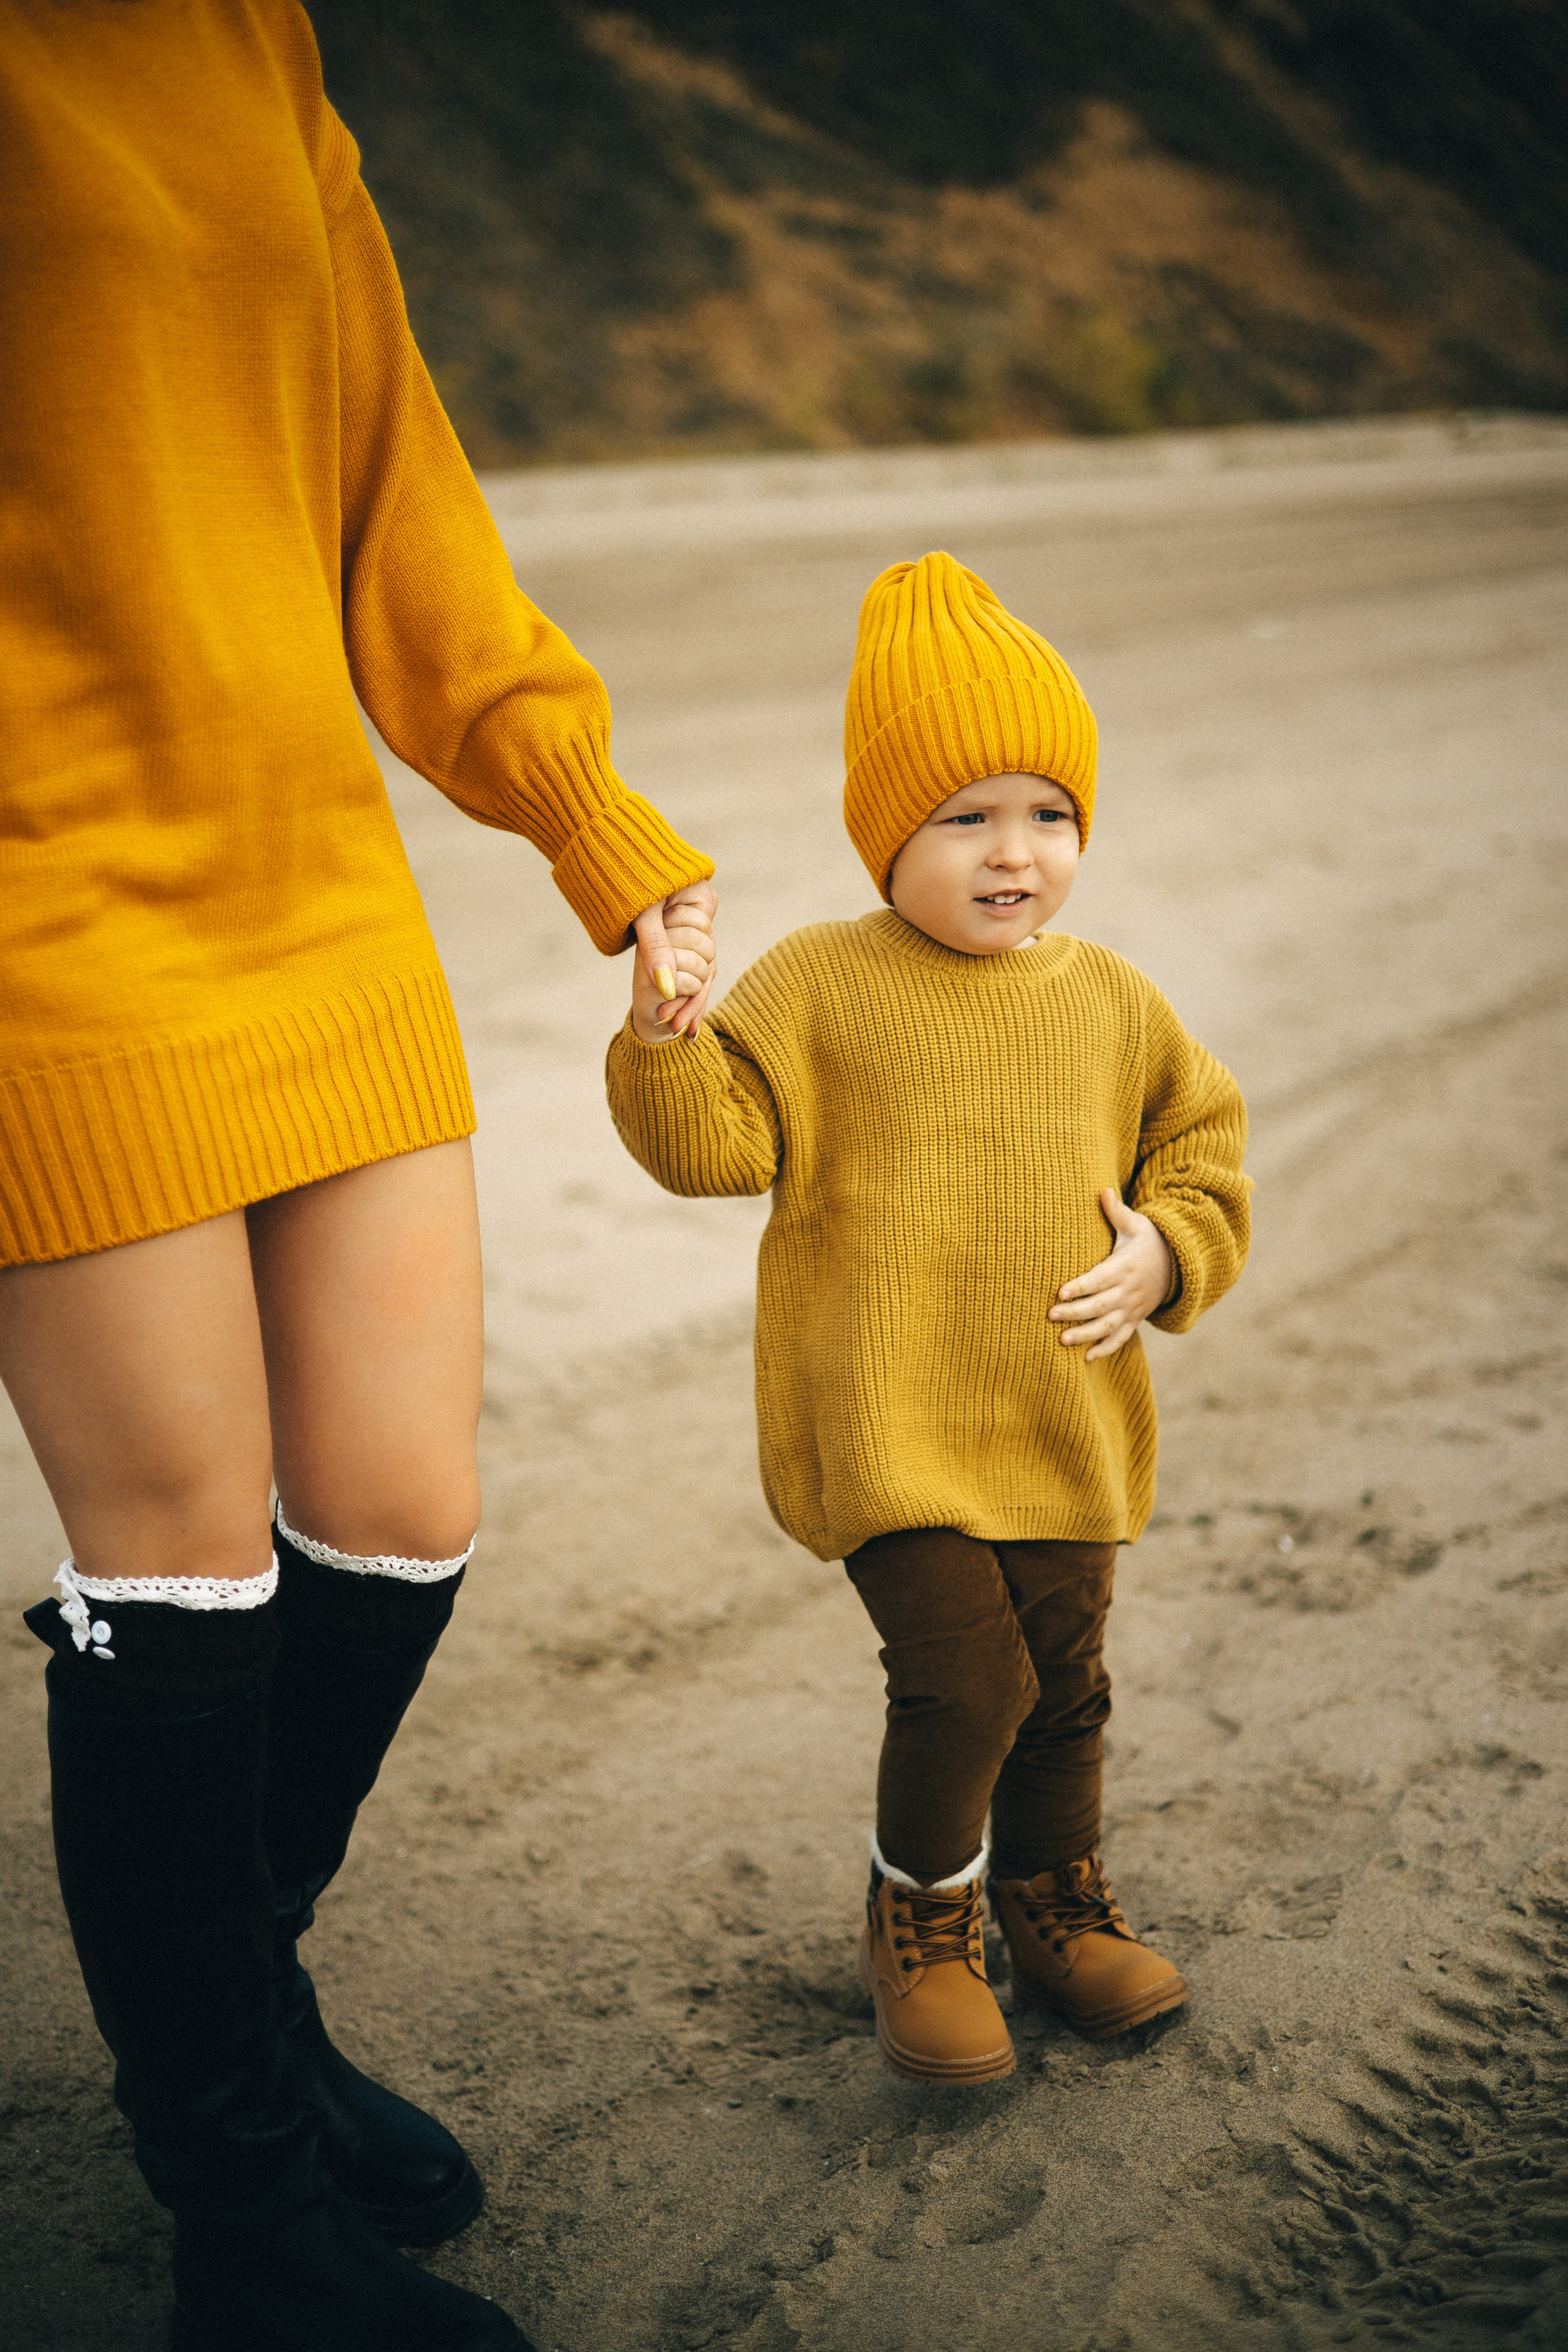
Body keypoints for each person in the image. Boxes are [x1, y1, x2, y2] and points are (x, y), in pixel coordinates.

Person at [0, 3, 716, 2346]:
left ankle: (245, 2005)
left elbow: (394, 478)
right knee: (184, 1583)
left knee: (400, 1511)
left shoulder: (245, 28)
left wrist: (590, 827)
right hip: (46, 912)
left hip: (310, 884)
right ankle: (241, 2217)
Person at [606, 551, 1251, 2085]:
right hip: (887, 1417)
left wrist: (1166, 1256)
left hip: (1056, 1413)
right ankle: (924, 1914)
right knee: (966, 1680)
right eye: (963, 817)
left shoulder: (1112, 1001)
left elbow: (1202, 1148)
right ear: (884, 833)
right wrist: (662, 1034)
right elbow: (715, 1148)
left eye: (1049, 814)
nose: (1010, 852)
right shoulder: (821, 984)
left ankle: (1051, 1903)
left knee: (1065, 1685)